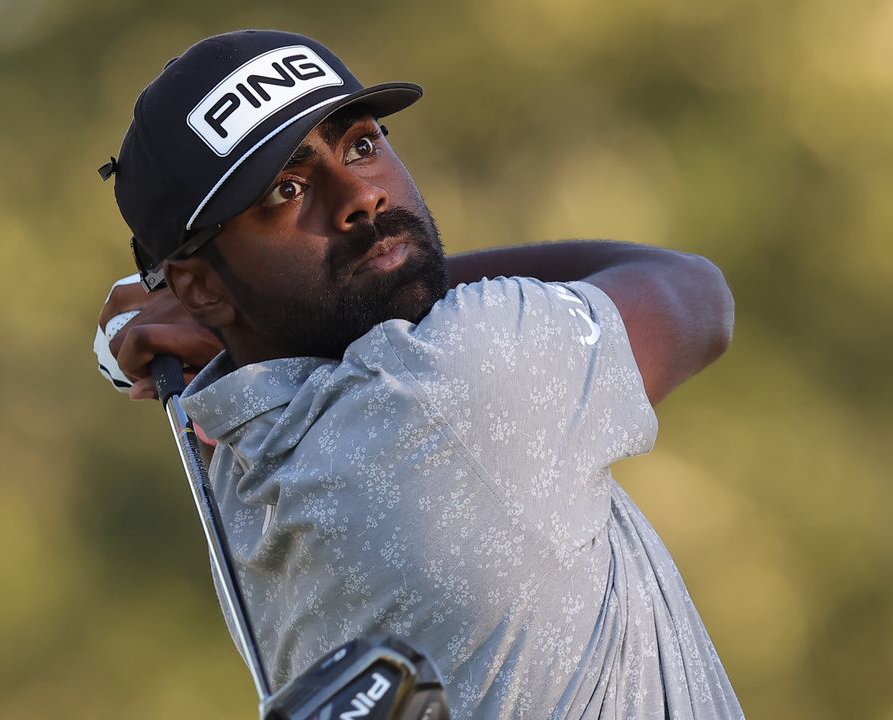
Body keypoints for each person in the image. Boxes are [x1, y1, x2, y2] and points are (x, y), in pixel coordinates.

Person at [95, 29, 743, 719]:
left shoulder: (233, 458)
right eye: (286, 190)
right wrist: (379, 265)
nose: (361, 198)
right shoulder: (459, 374)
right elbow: (691, 294)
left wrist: (217, 313)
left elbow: (265, 336)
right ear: (201, 289)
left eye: (362, 146)